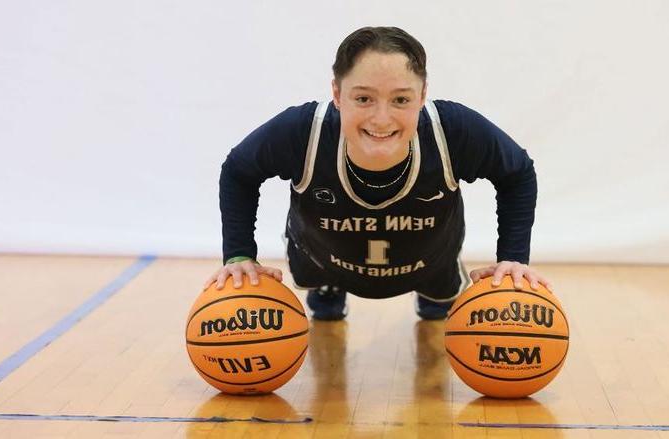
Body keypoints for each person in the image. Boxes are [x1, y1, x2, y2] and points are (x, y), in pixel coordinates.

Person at [205, 26, 552, 320]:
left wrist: (513, 258)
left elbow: (517, 173)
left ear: (422, 96)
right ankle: (329, 285)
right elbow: (238, 171)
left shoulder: (452, 130)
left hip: (429, 261)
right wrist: (239, 255)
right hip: (324, 258)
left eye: (401, 100)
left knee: (439, 312)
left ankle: (436, 289)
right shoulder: (304, 131)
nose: (381, 118)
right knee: (322, 304)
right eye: (364, 99)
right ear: (338, 95)